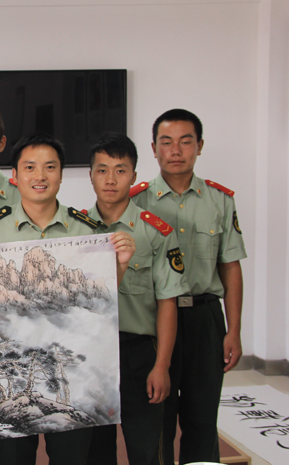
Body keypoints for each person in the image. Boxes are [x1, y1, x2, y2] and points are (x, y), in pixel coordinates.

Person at [0, 134, 135, 465]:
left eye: (50, 167)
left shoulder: (85, 229)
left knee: (72, 456)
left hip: (71, 367)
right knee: (14, 458)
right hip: (15, 364)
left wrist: (119, 266)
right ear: (15, 175)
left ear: (62, 175)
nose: (40, 176)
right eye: (30, 167)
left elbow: (100, 300)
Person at [131, 109, 246, 465]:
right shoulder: (137, 201)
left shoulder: (220, 200)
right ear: (153, 148)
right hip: (157, 321)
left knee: (202, 417)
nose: (176, 150)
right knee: (158, 415)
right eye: (166, 142)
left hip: (204, 318)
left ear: (199, 146)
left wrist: (234, 330)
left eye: (185, 141)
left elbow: (230, 267)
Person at [85, 134, 188, 465]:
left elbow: (167, 304)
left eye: (120, 170)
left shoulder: (155, 231)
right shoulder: (74, 229)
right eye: (102, 170)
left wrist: (162, 366)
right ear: (90, 175)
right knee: (95, 451)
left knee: (147, 449)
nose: (111, 180)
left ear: (134, 174)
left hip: (140, 353)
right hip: (91, 355)